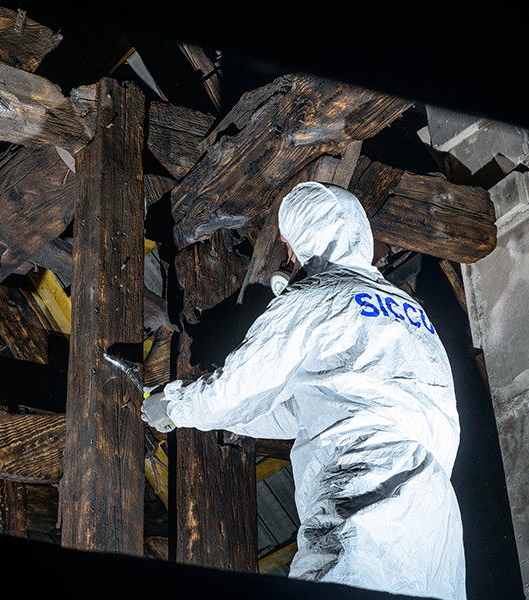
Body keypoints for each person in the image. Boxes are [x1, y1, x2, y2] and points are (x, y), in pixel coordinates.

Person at [141, 181, 466, 599]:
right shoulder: (409, 310)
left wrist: (173, 405)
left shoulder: (314, 298)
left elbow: (235, 390)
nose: (290, 256)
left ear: (308, 240)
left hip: (362, 485)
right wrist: (235, 418)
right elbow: (314, 405)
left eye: (289, 244)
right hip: (435, 511)